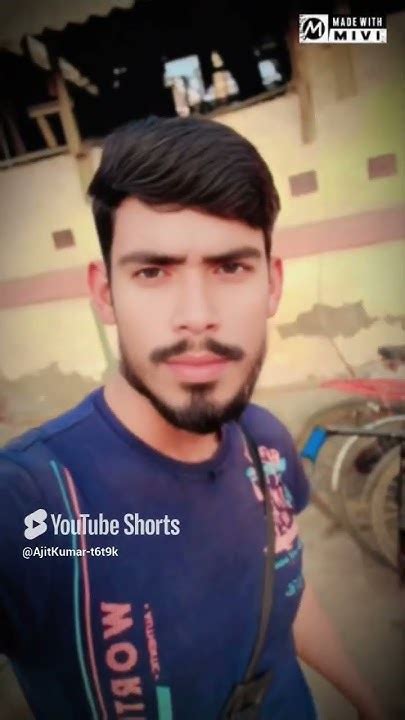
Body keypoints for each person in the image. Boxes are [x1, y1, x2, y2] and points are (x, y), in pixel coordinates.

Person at [0, 116, 384, 720]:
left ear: (272, 284)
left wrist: (368, 699)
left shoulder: (267, 442)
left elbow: (284, 587)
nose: (197, 316)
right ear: (104, 293)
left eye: (230, 267)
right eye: (153, 271)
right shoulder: (29, 502)